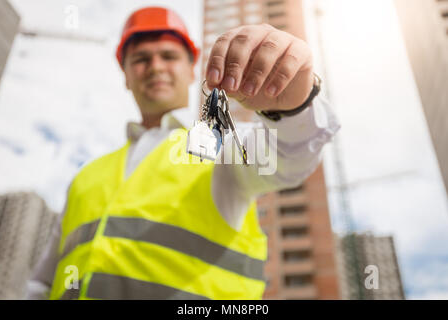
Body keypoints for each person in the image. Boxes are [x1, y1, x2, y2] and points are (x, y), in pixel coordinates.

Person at [26, 6, 340, 300]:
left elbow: (287, 156)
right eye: (141, 59)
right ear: (126, 76)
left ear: (192, 70)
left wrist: (293, 108)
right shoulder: (85, 177)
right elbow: (41, 282)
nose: (155, 67)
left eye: (168, 56)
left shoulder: (221, 145)